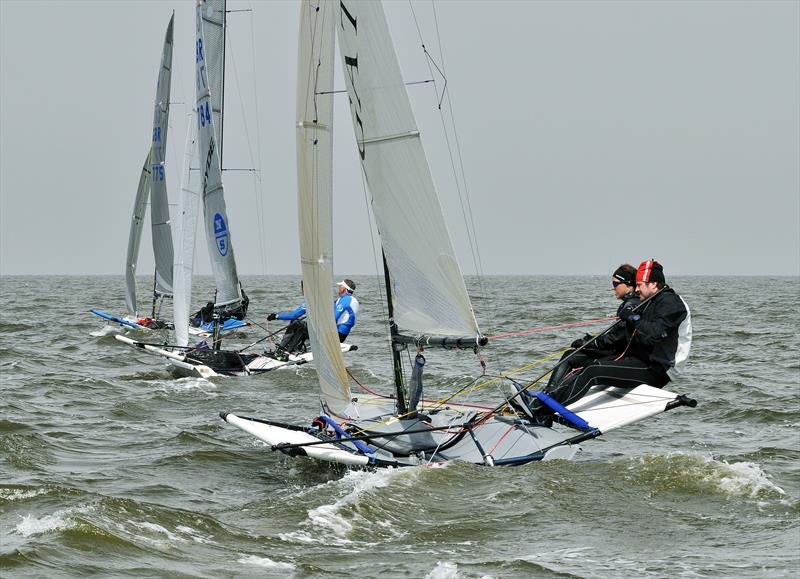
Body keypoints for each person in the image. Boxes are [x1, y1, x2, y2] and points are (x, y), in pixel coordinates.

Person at [519, 259, 692, 425]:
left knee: (593, 371)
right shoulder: (651, 301)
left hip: (659, 369)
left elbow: (655, 332)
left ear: (653, 284)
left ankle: (539, 409)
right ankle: (543, 403)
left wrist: (632, 317)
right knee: (584, 363)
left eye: (639, 285)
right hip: (640, 360)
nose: (636, 289)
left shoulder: (672, 302)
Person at [546, 264, 640, 389]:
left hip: (619, 356)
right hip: (617, 352)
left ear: (628, 284)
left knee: (570, 356)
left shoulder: (631, 305)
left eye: (615, 284)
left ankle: (548, 395)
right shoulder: (631, 303)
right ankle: (554, 392)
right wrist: (591, 341)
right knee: (574, 354)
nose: (613, 289)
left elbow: (615, 339)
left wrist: (588, 343)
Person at [267, 282, 309, 355]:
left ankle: (284, 350)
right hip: (317, 330)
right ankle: (285, 348)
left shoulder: (310, 302)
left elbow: (293, 315)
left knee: (298, 324)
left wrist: (276, 316)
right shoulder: (314, 300)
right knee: (296, 323)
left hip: (318, 332)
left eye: (302, 288)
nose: (301, 291)